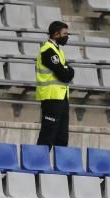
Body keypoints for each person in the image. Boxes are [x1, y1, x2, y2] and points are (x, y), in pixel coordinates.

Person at [36, 21, 74, 149]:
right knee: (48, 134)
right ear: (56, 34)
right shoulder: (47, 50)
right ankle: (39, 164)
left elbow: (70, 71)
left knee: (62, 136)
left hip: (62, 97)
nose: (66, 36)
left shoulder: (58, 51)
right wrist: (67, 71)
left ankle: (60, 167)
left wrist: (67, 71)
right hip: (51, 97)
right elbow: (64, 74)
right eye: (65, 33)